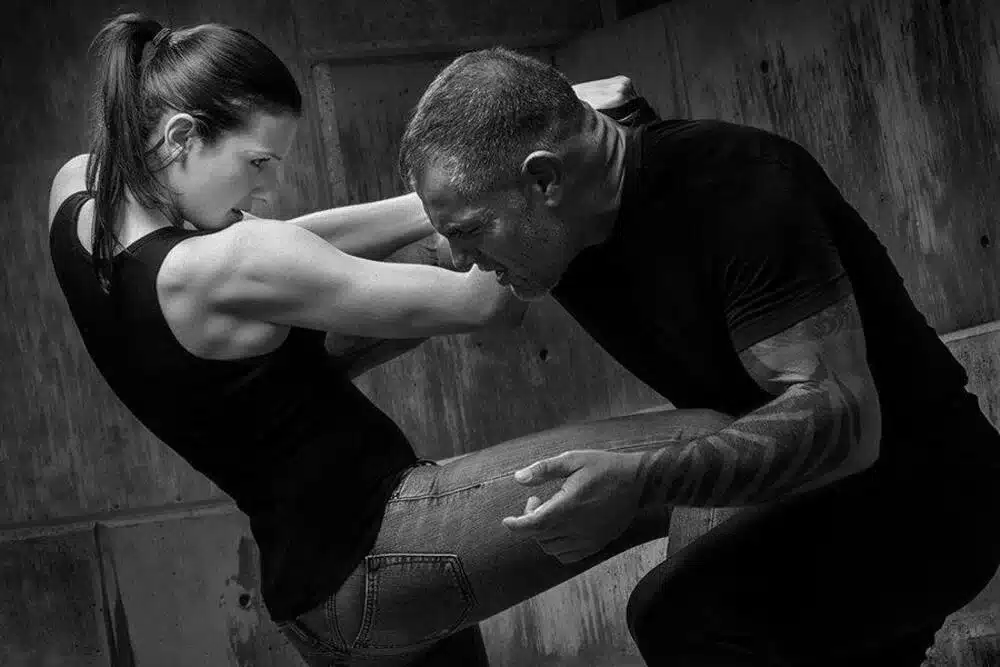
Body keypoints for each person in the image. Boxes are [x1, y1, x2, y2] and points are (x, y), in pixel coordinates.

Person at [48, 14, 738, 667]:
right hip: (380, 553)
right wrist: (552, 143)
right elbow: (490, 299)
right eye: (258, 163)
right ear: (179, 136)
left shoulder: (78, 194)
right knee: (714, 447)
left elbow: (274, 247)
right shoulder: (221, 265)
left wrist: (430, 210)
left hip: (314, 587)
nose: (269, 188)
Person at [401, 47, 1000, 666]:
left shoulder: (739, 184)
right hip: (813, 498)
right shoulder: (566, 221)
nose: (458, 258)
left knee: (678, 616)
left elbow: (845, 421)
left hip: (930, 494)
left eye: (469, 231)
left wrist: (641, 481)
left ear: (546, 180)